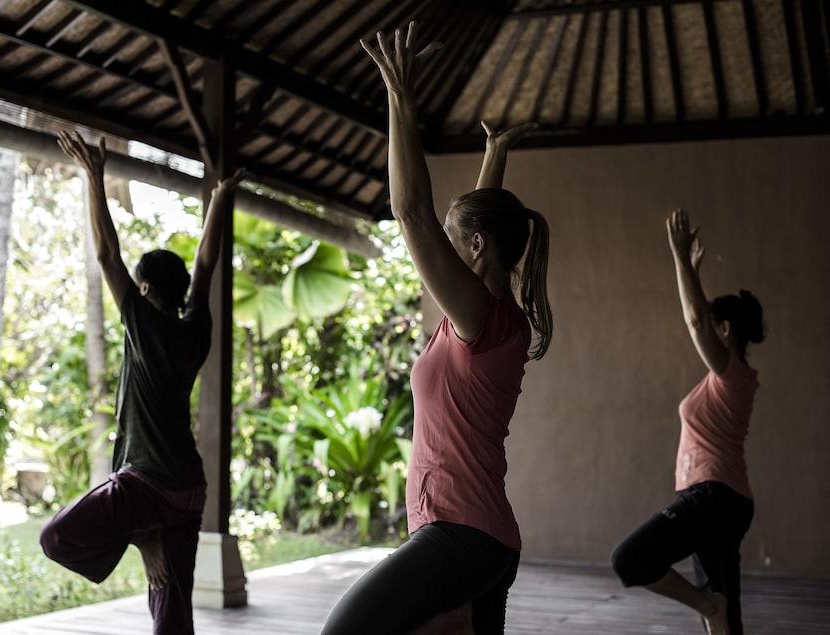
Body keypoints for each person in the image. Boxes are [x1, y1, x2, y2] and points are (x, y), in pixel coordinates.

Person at [322, 22, 553, 634]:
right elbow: (480, 227)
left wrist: (400, 97)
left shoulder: (482, 320)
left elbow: (412, 210)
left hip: (463, 535)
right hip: (479, 538)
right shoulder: (489, 317)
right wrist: (495, 155)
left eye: (454, 243)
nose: (440, 253)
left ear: (474, 248)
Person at [39, 129, 246, 635]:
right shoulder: (196, 329)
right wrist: (219, 199)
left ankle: (142, 538)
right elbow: (206, 264)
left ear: (145, 287)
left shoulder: (142, 321)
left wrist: (95, 175)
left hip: (145, 486)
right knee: (172, 608)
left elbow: (108, 256)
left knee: (56, 538)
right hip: (188, 491)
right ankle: (146, 538)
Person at [610, 209, 765, 635]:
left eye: (716, 330)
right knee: (723, 618)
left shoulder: (731, 374)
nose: (705, 336)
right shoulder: (726, 380)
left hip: (714, 497)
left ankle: (706, 604)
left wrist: (679, 256)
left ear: (727, 330)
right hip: (724, 499)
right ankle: (711, 606)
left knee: (631, 559)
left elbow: (696, 320)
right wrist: (694, 274)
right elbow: (701, 318)